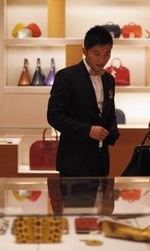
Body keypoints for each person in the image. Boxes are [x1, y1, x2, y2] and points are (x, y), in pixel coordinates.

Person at [47, 25, 119, 177]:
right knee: (75, 202)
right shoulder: (66, 76)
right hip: (74, 161)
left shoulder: (109, 79)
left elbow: (109, 112)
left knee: (103, 201)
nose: (102, 60)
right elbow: (54, 116)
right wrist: (88, 130)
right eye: (96, 53)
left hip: (101, 161)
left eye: (107, 54)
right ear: (84, 51)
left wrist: (113, 132)